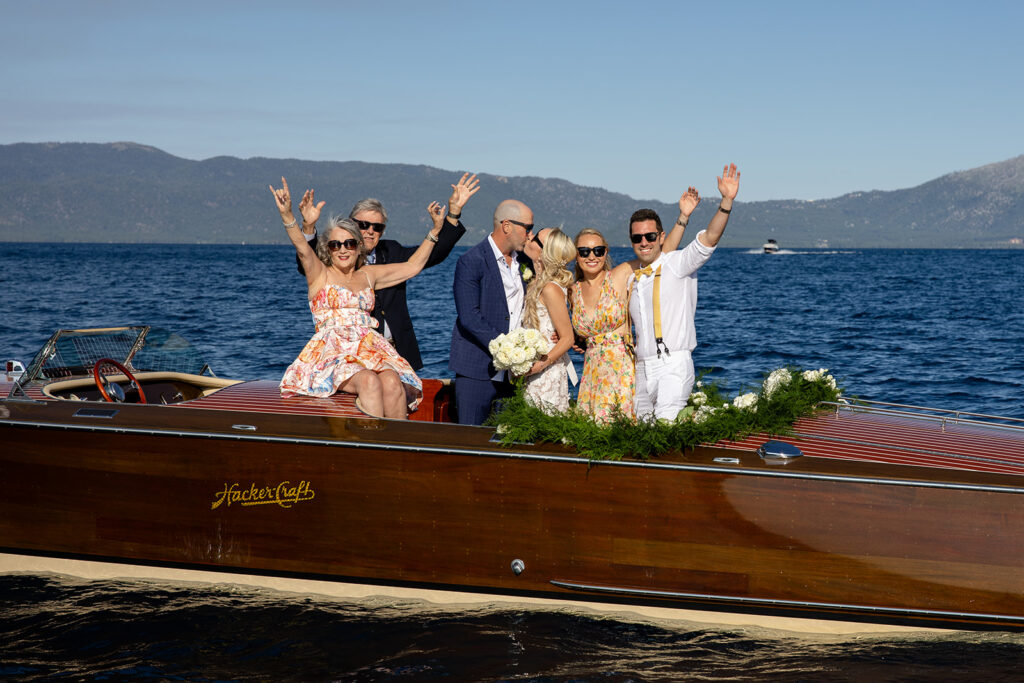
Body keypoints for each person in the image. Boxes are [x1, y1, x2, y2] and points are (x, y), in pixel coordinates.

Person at [270, 177, 446, 419]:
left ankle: (398, 448)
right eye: (335, 244)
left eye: (350, 243)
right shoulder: (319, 274)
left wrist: (435, 230)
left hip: (370, 347)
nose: (343, 249)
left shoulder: (368, 275)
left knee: (393, 382)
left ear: (358, 246)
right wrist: (290, 216)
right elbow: (302, 248)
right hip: (333, 352)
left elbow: (413, 265)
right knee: (369, 382)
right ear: (327, 248)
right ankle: (369, 448)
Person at [295, 173, 479, 370]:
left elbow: (432, 254)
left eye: (377, 227)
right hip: (355, 357)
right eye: (363, 225)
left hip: (399, 351)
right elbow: (307, 262)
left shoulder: (393, 251)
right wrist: (308, 226)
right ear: (351, 225)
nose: (369, 231)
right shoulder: (337, 257)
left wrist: (453, 213)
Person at [615, 163, 740, 421]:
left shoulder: (677, 264)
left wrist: (726, 202)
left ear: (661, 237)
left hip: (673, 364)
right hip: (641, 368)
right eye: (638, 238)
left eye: (650, 236)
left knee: (666, 426)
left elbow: (710, 239)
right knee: (641, 432)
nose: (644, 242)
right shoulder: (631, 279)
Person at [568, 187, 702, 423]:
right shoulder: (573, 290)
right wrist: (575, 338)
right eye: (584, 251)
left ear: (605, 252)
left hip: (622, 369)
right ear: (576, 255)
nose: (592, 256)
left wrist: (683, 218)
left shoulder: (619, 276)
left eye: (598, 251)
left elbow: (661, 252)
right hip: (592, 372)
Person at [449, 199, 535, 425]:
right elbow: (469, 316)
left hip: (515, 374)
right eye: (528, 227)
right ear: (507, 226)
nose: (530, 234)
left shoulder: (526, 263)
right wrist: (506, 347)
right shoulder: (471, 261)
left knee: (508, 443)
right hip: (477, 369)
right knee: (470, 440)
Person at [521, 228, 577, 413]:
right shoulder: (534, 283)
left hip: (546, 371)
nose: (529, 236)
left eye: (535, 237)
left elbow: (567, 338)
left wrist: (541, 365)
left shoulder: (550, 289)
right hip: (530, 368)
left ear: (545, 253)